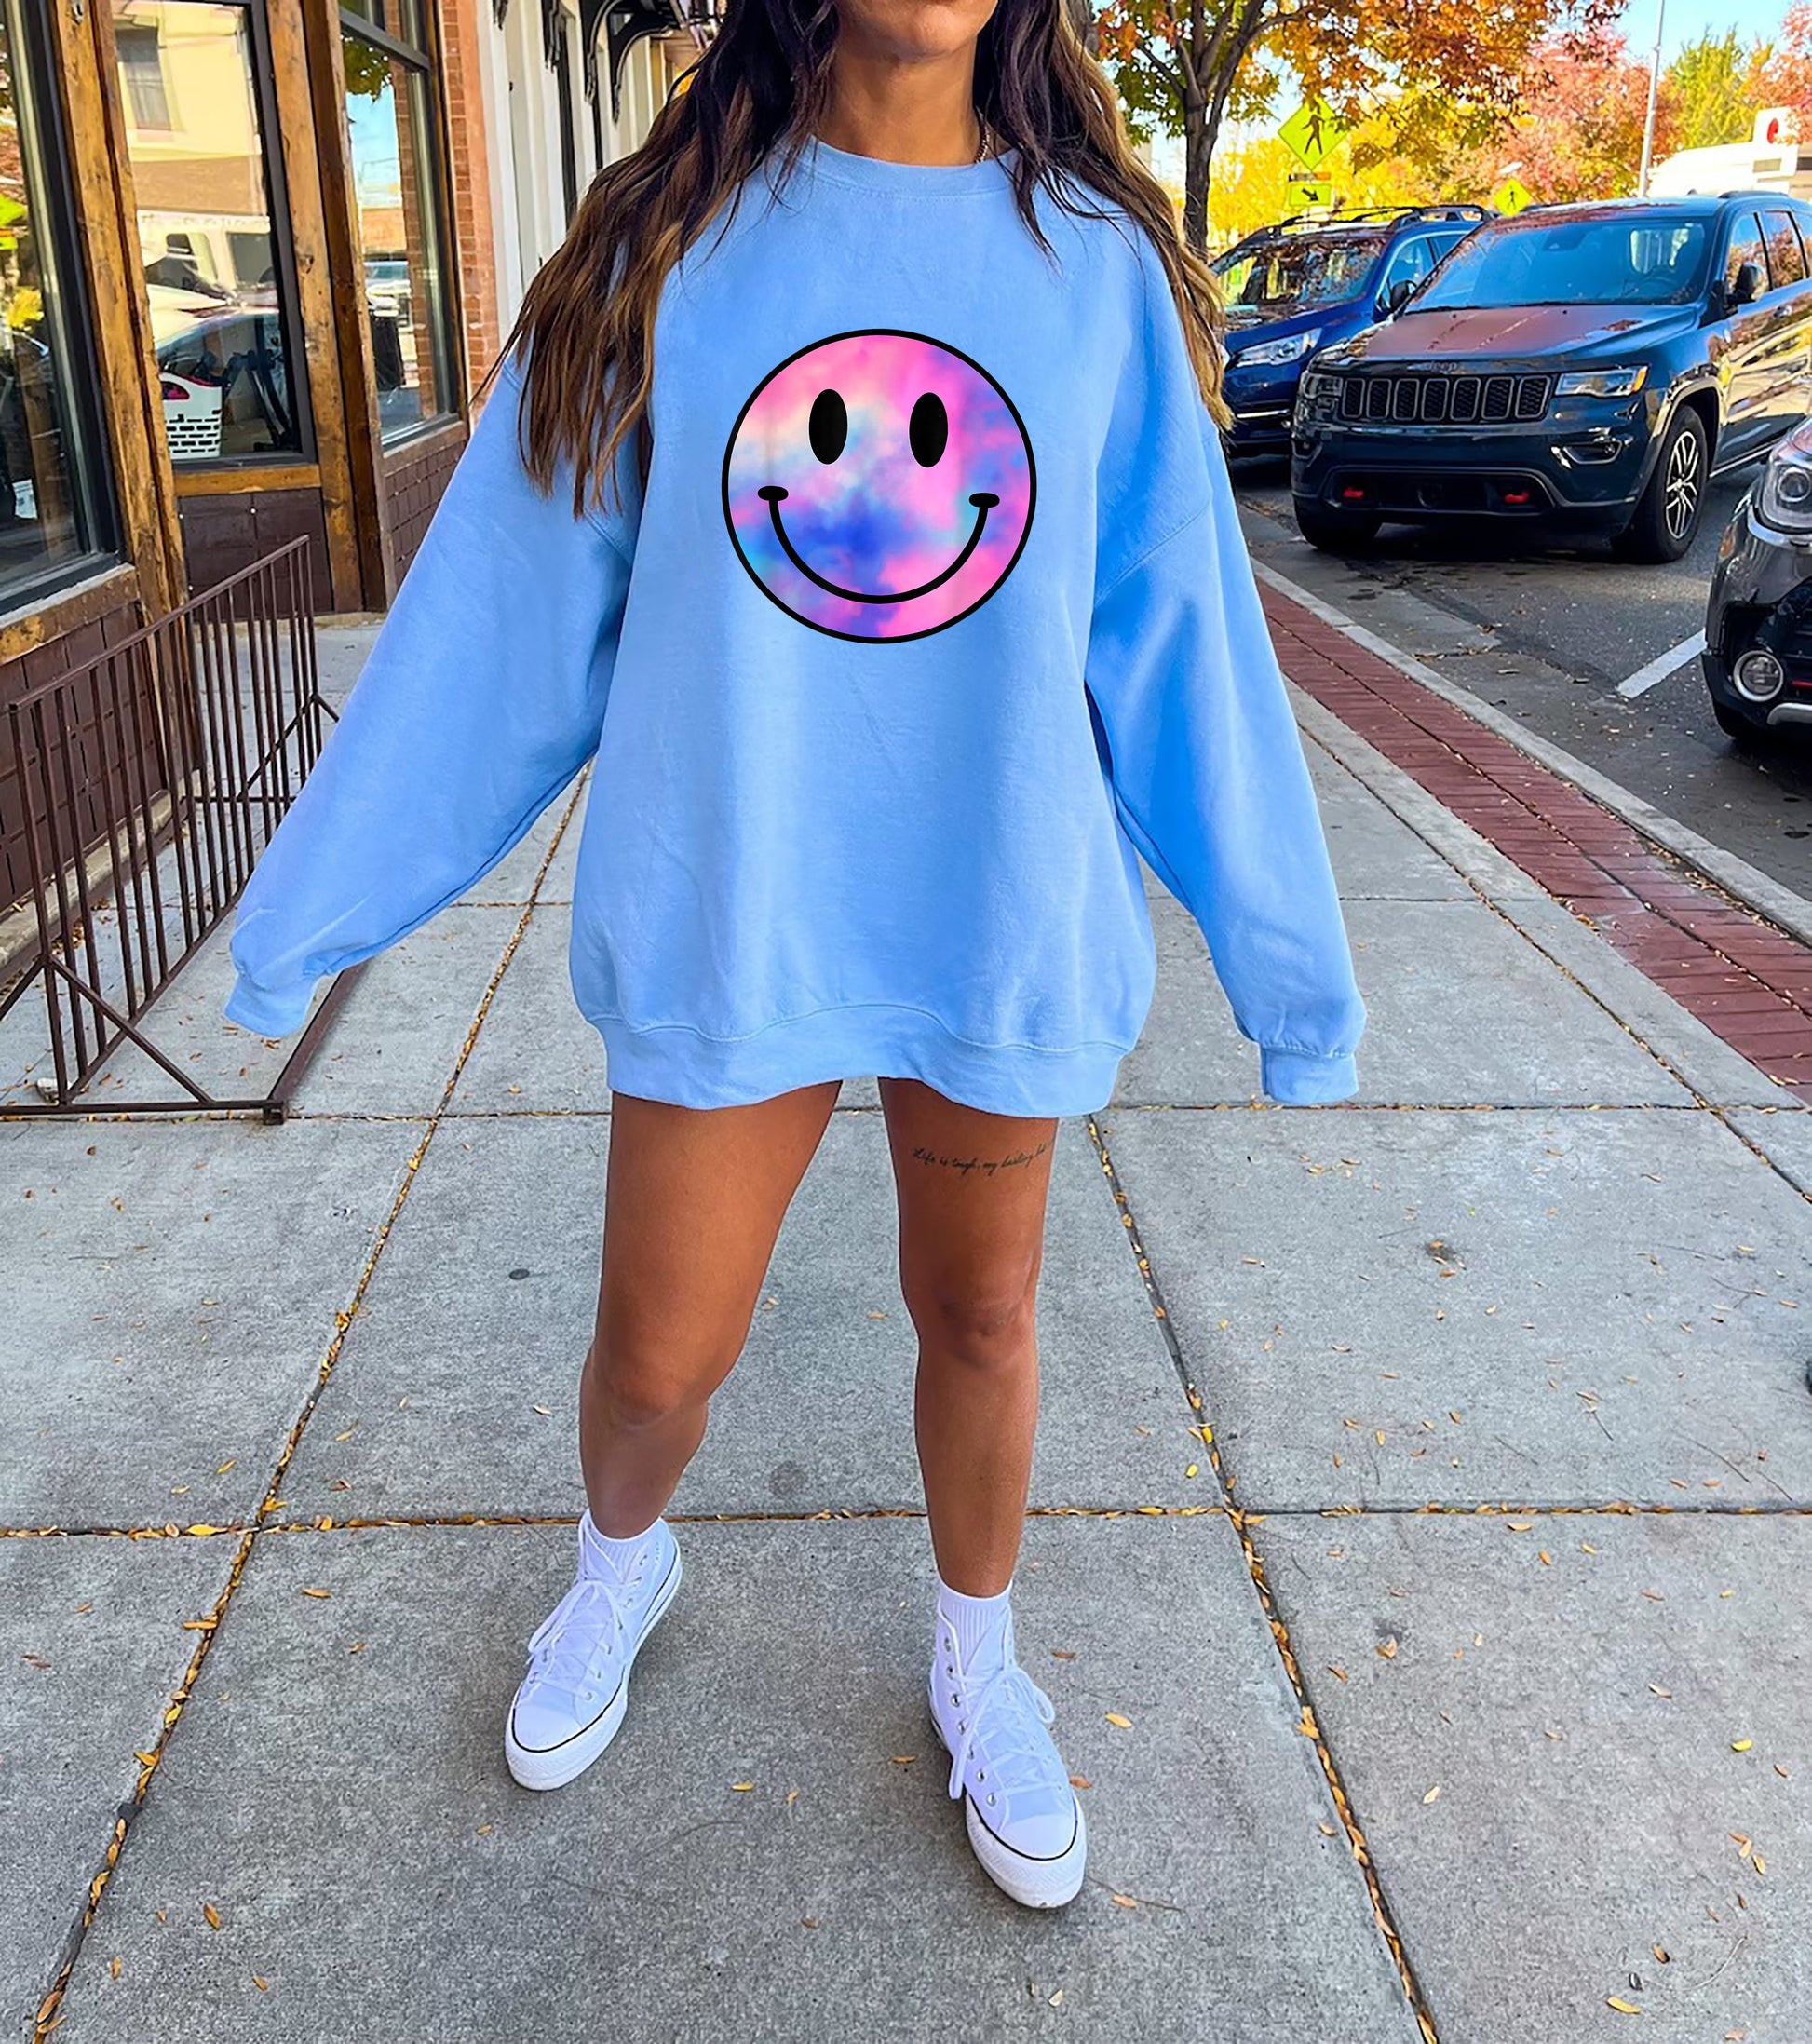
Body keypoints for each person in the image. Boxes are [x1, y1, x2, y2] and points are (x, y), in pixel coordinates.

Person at [222, 0, 1366, 1913]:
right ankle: (620, 1564)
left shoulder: (1092, 272)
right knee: (656, 1356)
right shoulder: (663, 246)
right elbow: (492, 634)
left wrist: (1289, 976)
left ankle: (979, 1656)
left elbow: (1183, 641)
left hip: (991, 912)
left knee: (982, 1322)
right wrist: (305, 924)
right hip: (729, 912)